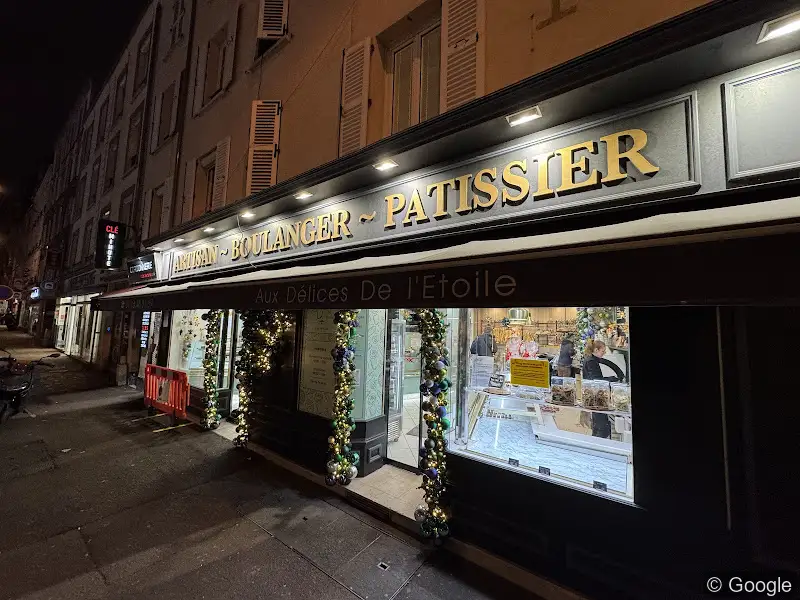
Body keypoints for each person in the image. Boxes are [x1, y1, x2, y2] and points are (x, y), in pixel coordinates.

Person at [582, 338, 624, 439]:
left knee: (598, 424)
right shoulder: (591, 362)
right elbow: (597, 380)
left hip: (593, 396)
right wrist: (612, 379)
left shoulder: (591, 360)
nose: (604, 353)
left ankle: (595, 442)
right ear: (596, 350)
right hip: (596, 397)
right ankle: (599, 445)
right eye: (602, 351)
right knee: (602, 427)